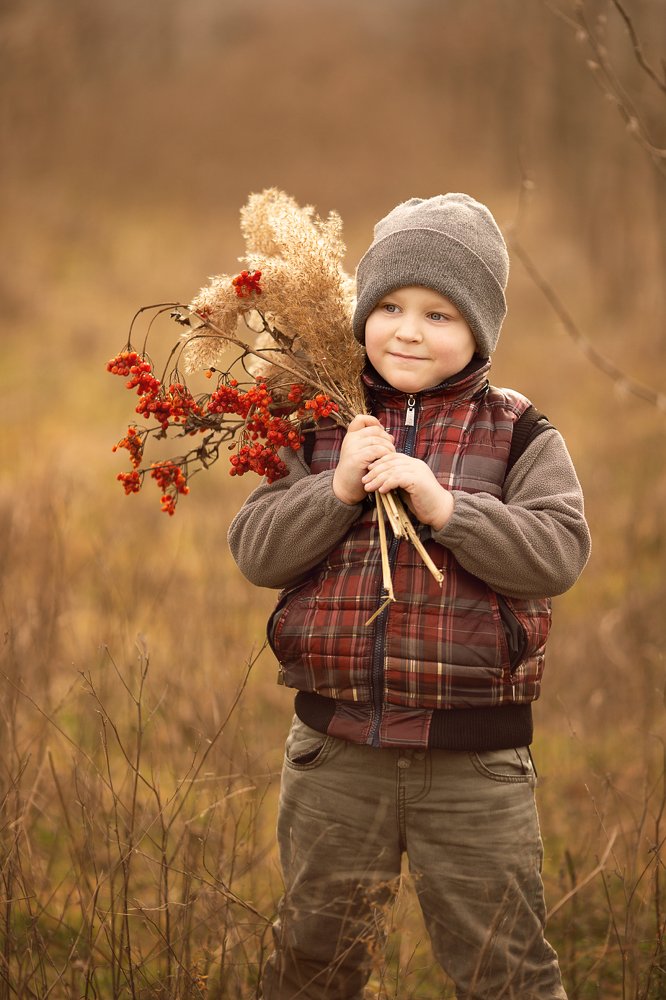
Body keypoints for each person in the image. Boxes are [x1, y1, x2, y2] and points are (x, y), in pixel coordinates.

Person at [228, 193, 591, 1000]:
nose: (408, 330)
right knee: (312, 967)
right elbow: (255, 550)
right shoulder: (318, 422)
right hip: (335, 755)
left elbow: (560, 554)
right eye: (389, 305)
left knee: (506, 973)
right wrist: (337, 490)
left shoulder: (521, 434)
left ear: (480, 333)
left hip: (475, 767)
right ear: (361, 313)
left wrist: (449, 509)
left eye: (439, 313)